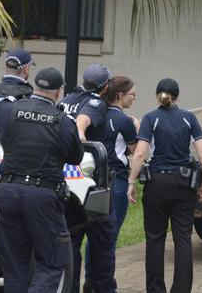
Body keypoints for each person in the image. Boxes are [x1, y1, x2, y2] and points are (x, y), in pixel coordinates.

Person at [0, 67, 84, 292]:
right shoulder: (64, 121)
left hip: (7, 193)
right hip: (43, 197)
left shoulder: (9, 109)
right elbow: (76, 157)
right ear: (59, 92)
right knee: (52, 262)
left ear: (35, 86)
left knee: (15, 267)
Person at [127, 78, 202, 293]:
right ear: (177, 96)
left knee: (155, 238)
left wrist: (132, 181)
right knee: (183, 238)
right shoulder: (189, 118)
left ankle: (155, 289)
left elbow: (140, 152)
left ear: (157, 95)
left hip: (157, 183)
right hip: (184, 184)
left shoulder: (150, 118)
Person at [59, 63, 117, 293]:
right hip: (91, 186)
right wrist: (80, 136)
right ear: (105, 87)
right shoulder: (96, 102)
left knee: (71, 240)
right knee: (102, 241)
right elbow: (83, 120)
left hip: (67, 184)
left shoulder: (66, 100)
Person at [102, 76, 139, 245]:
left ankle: (91, 272)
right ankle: (105, 271)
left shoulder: (98, 114)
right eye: (132, 94)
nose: (134, 97)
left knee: (98, 233)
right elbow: (137, 152)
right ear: (120, 95)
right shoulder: (124, 121)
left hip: (98, 178)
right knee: (112, 233)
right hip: (117, 179)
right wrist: (137, 129)